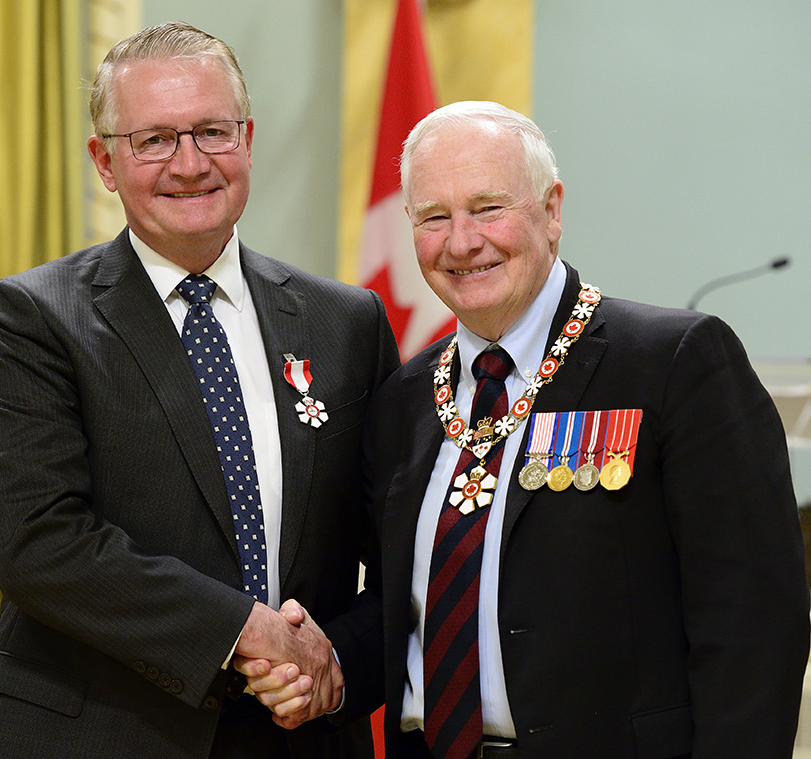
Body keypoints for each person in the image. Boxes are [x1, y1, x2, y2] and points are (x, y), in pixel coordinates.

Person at [239, 101, 810, 759]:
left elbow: (752, 622)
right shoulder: (403, 399)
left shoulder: (669, 363)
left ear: (551, 209)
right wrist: (327, 664)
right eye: (433, 217)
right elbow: (410, 617)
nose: (461, 241)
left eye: (487, 208)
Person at [0, 22, 398, 759]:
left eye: (212, 132)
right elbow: (36, 540)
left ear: (247, 138)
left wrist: (335, 667)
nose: (189, 164)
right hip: (92, 732)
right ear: (105, 160)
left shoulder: (345, 321)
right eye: (153, 139)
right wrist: (241, 629)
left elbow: (397, 555)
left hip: (296, 734)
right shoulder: (34, 317)